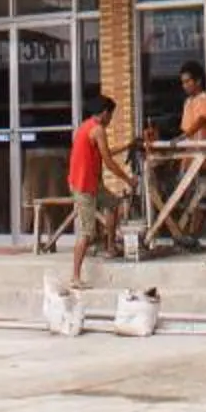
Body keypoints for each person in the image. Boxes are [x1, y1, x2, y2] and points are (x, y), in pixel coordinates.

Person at [68, 94, 133, 290]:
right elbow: (109, 163)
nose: (111, 119)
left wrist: (126, 146)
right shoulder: (97, 130)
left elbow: (104, 152)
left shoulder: (86, 126)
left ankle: (110, 247)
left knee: (113, 204)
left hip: (93, 183)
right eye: (111, 115)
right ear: (105, 113)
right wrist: (129, 179)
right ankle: (75, 277)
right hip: (83, 185)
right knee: (87, 233)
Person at [173, 57, 206, 246]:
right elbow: (186, 130)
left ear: (198, 80)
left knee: (202, 200)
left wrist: (183, 137)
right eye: (182, 82)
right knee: (186, 200)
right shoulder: (187, 103)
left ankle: (194, 238)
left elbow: (201, 122)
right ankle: (185, 236)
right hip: (189, 159)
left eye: (187, 81)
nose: (184, 86)